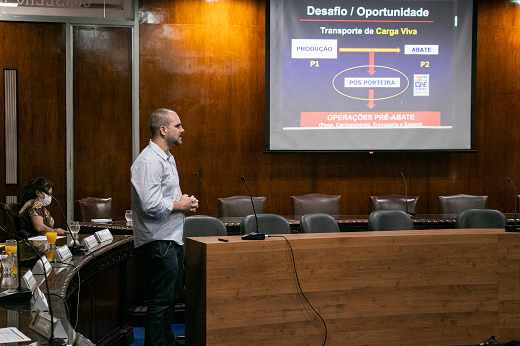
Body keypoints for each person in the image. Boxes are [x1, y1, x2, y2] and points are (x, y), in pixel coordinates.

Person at [131, 108, 198, 346]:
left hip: (171, 238)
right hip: (158, 240)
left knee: (168, 299)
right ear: (163, 129)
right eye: (178, 125)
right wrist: (180, 205)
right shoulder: (148, 161)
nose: (182, 130)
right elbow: (150, 205)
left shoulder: (167, 157)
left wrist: (184, 202)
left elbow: (165, 197)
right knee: (160, 301)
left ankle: (166, 341)